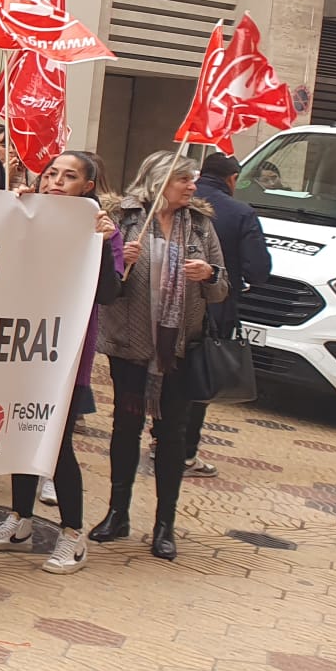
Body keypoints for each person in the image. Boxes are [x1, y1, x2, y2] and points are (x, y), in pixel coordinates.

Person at [0, 151, 121, 574]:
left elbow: (109, 294)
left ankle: (73, 535)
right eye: (51, 173)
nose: (56, 181)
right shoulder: (27, 214)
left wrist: (103, 239)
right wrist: (13, 210)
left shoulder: (100, 231)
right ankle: (20, 520)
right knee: (20, 433)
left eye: (69, 176)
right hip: (20, 346)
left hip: (66, 353)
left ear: (87, 187)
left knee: (56, 445)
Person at [93, 150, 228, 561]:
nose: (192, 187)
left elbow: (222, 288)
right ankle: (118, 513)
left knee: (172, 436)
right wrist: (118, 261)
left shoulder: (201, 225)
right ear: (158, 181)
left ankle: (164, 524)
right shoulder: (126, 218)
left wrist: (210, 275)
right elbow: (103, 286)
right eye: (183, 179)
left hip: (179, 349)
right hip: (130, 346)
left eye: (193, 180)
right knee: (124, 429)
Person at [184, 152, 271, 475]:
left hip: (168, 305)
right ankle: (186, 452)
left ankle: (159, 441)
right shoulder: (240, 212)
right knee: (199, 378)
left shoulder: (177, 205)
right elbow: (259, 269)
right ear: (232, 178)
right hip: (214, 309)